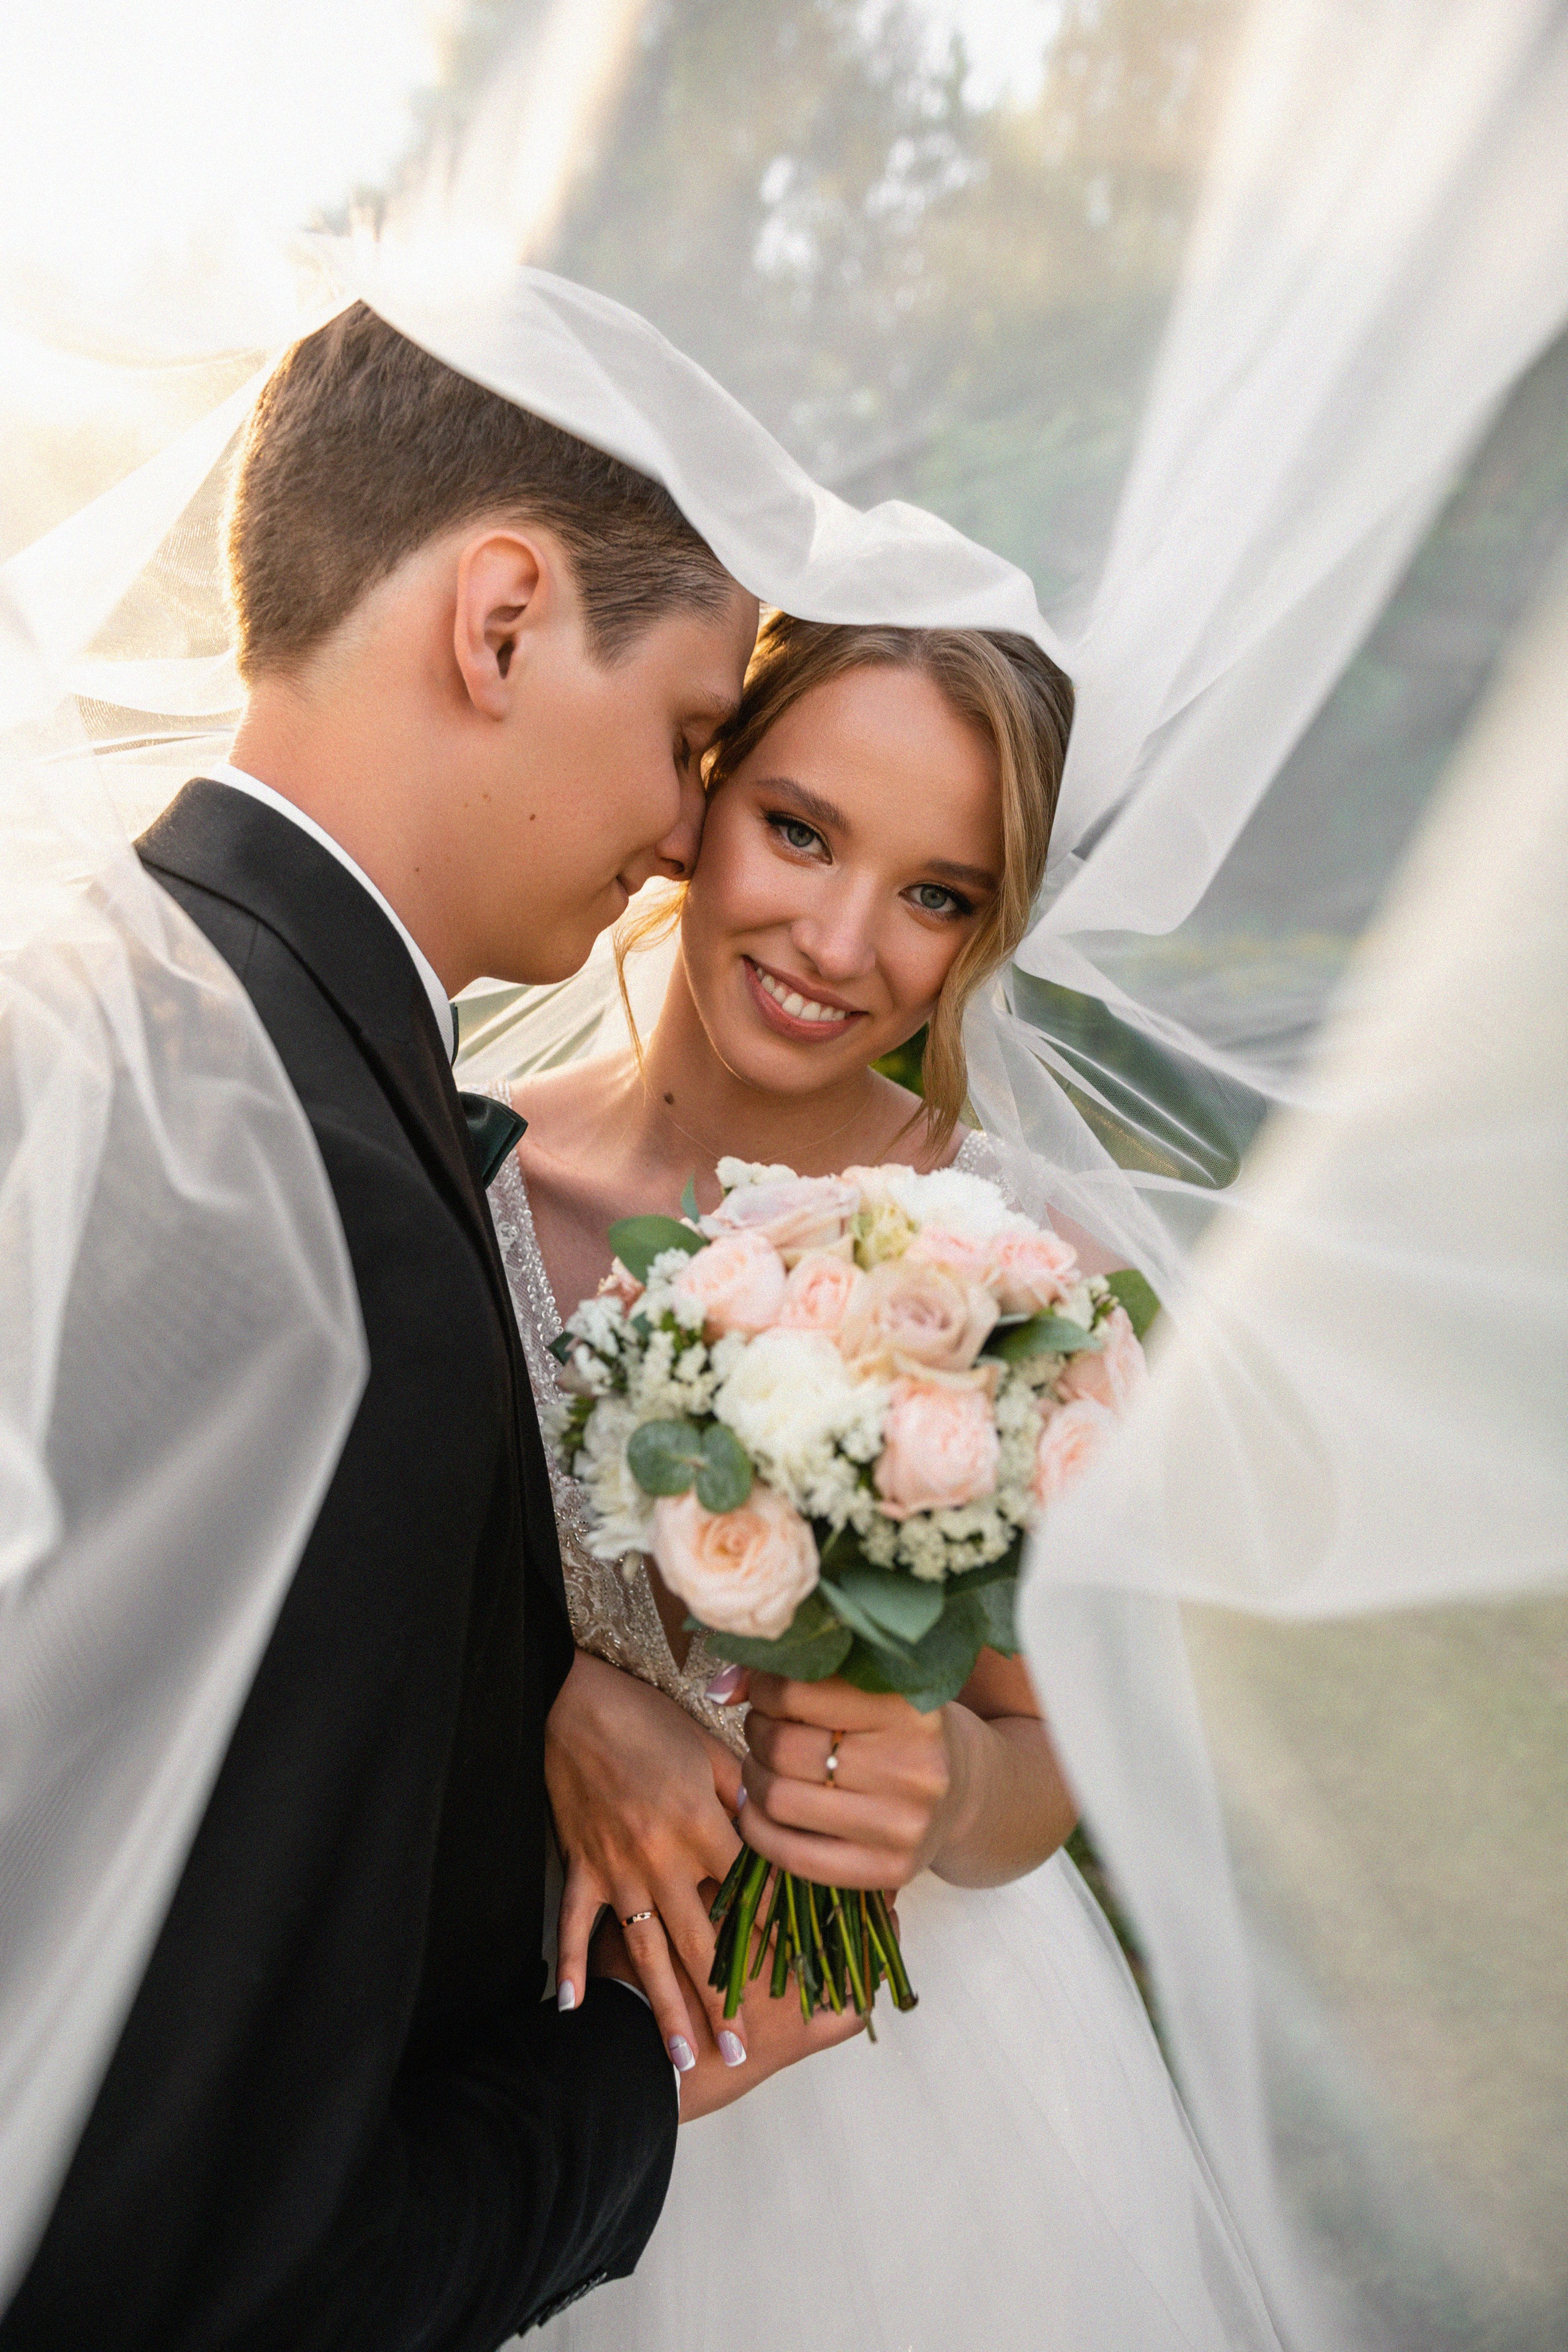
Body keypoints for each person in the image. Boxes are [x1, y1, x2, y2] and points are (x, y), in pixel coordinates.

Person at [0, 310, 861, 2352]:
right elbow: (233, 2277)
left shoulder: (80, 1031)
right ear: (498, 620)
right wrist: (651, 2080)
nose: (684, 830)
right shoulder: (352, 1256)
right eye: (680, 732)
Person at [488, 613, 1285, 2350]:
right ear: (699, 791)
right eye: (800, 828)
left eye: (938, 894)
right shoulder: (460, 1170)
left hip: (898, 2080)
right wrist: (548, 1690)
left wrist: (937, 1801)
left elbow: (1045, 1763)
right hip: (503, 2039)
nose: (840, 942)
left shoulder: (1012, 1264)